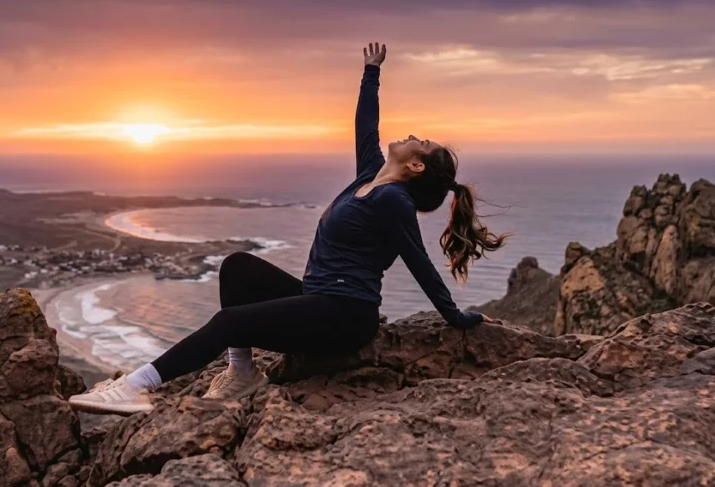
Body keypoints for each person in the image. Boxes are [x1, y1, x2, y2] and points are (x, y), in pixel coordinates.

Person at [68, 42, 509, 416]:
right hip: (318, 298)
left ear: (416, 165)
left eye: (424, 143)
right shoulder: (371, 176)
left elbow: (419, 262)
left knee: (230, 321)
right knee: (237, 266)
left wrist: (455, 317)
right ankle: (242, 373)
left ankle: (135, 388)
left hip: (345, 316)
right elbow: (365, 128)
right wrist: (370, 74)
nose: (416, 134)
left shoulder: (393, 200)